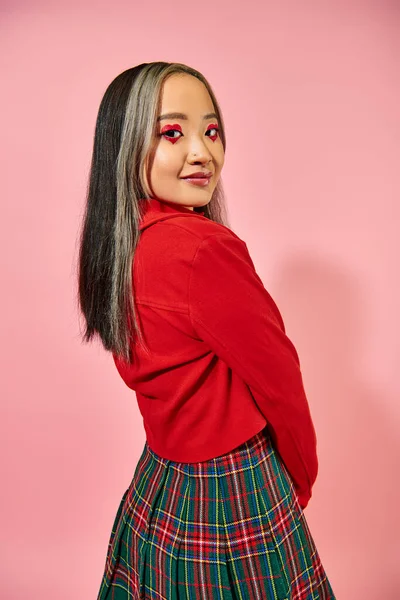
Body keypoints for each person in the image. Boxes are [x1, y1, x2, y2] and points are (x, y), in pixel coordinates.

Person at [77, 61, 336, 599]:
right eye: (172, 133)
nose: (202, 152)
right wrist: (300, 479)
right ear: (124, 148)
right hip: (235, 487)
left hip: (160, 485)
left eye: (211, 130)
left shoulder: (122, 250)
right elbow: (279, 379)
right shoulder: (203, 250)